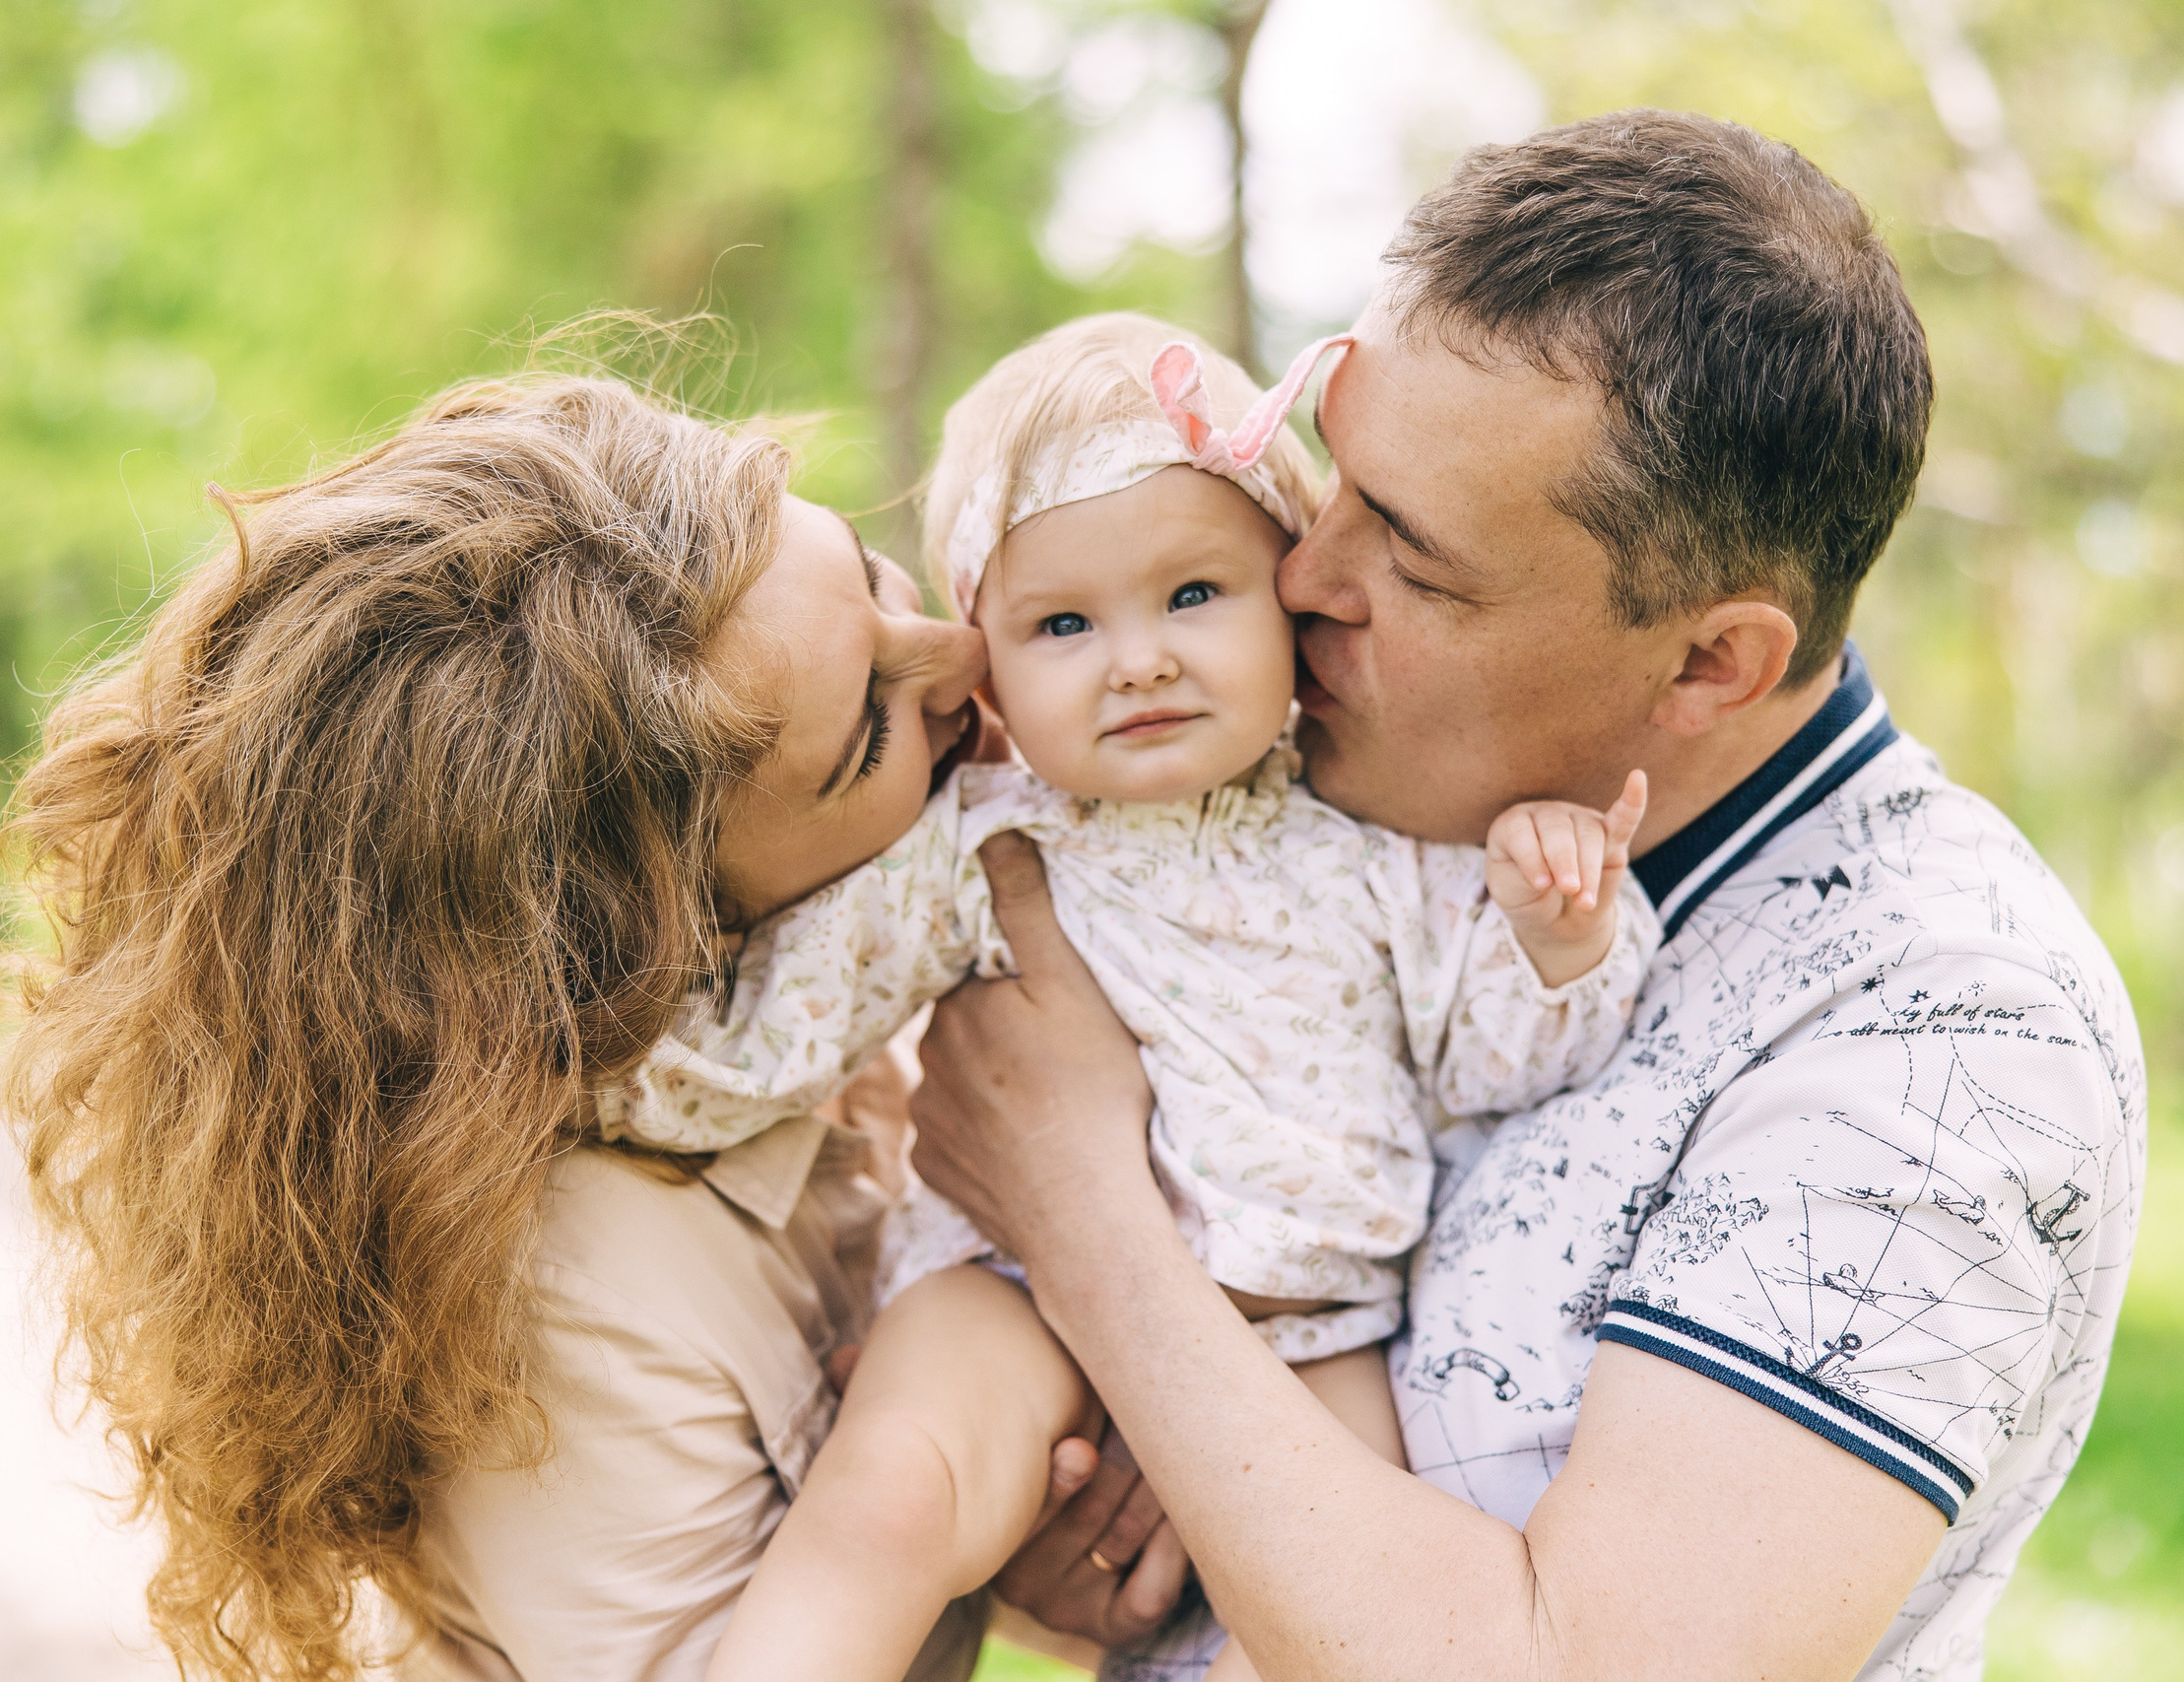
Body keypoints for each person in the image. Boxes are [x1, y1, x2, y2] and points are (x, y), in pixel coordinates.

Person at [909, 111, 2146, 1681]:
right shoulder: (1330, 836)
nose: (1301, 577)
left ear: (1711, 661)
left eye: (1415, 564)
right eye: (1327, 485)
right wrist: (1068, 1523)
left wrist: (1077, 1211)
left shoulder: (1941, 1030)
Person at [595, 313, 1654, 1682]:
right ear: (986, 660)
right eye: (1063, 624)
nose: (1138, 659)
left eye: (1194, 596)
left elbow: (1498, 1070)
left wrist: (1560, 933)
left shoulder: (1383, 836)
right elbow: (773, 1025)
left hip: (1309, 1328)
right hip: (1012, 1294)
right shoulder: (982, 841)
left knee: (1338, 1618)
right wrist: (593, 1076)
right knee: (893, 1497)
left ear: (1290, 594)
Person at [0, 367, 1005, 1682]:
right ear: (653, 940)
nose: (965, 660)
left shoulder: (780, 1060)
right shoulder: (571, 1280)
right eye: (871, 725)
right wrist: (956, 1392)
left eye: (874, 576)